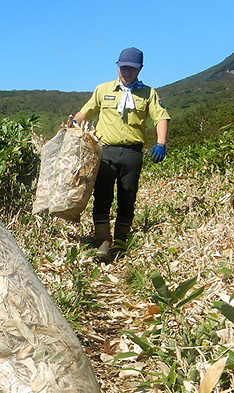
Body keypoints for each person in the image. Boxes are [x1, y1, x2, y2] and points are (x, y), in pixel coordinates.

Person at [72, 47, 170, 262]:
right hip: (105, 152)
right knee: (102, 195)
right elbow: (85, 113)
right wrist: (70, 126)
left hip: (132, 154)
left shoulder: (148, 94)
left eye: (132, 69)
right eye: (123, 67)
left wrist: (161, 142)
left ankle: (121, 243)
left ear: (140, 69)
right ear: (117, 66)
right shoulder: (102, 90)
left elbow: (161, 117)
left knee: (128, 196)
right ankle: (103, 242)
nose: (127, 72)